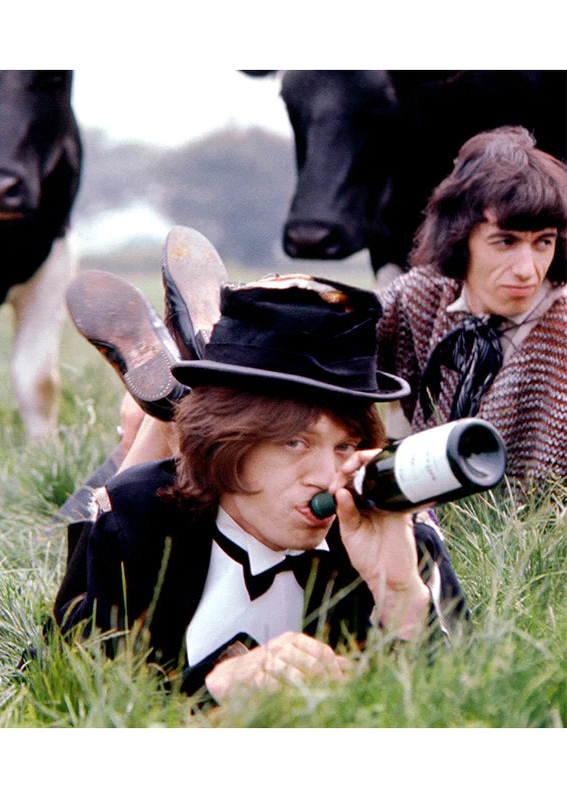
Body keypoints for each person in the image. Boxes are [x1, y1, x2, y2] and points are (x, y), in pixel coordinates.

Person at [56, 272, 466, 702]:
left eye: (346, 446)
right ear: (226, 443)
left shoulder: (395, 527)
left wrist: (400, 597)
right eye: (295, 443)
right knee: (107, 499)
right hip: (155, 490)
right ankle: (164, 414)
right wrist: (210, 692)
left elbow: (472, 699)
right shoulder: (141, 518)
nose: (328, 477)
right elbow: (67, 687)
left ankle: (183, 384)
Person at [377, 125, 567, 483]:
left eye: (544, 242)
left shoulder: (561, 328)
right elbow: (340, 333)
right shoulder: (425, 295)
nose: (527, 271)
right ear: (461, 240)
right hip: (424, 513)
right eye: (505, 242)